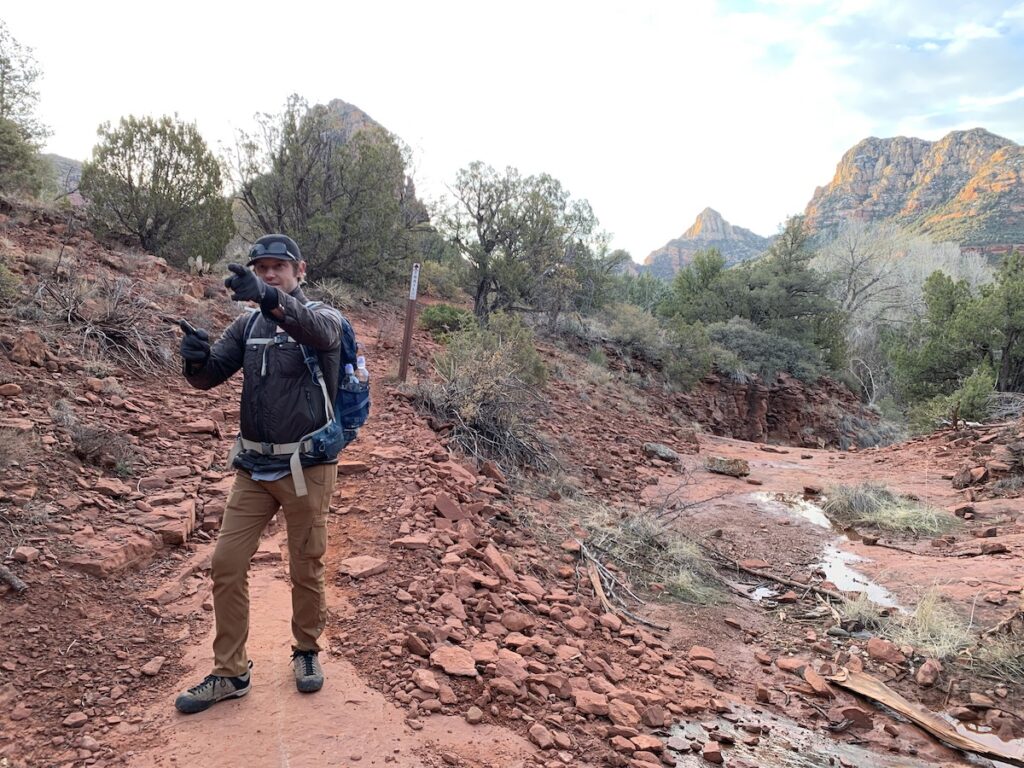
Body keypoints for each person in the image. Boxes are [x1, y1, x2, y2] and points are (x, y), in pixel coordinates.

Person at [173, 234, 343, 714]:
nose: (269, 275)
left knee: (305, 565)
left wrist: (268, 299)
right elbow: (208, 378)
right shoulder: (248, 327)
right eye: (261, 268)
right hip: (253, 467)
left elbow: (321, 334)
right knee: (226, 563)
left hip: (307, 466)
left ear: (300, 270)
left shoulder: (323, 318)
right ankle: (230, 673)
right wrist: (192, 357)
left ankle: (306, 652)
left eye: (278, 267)